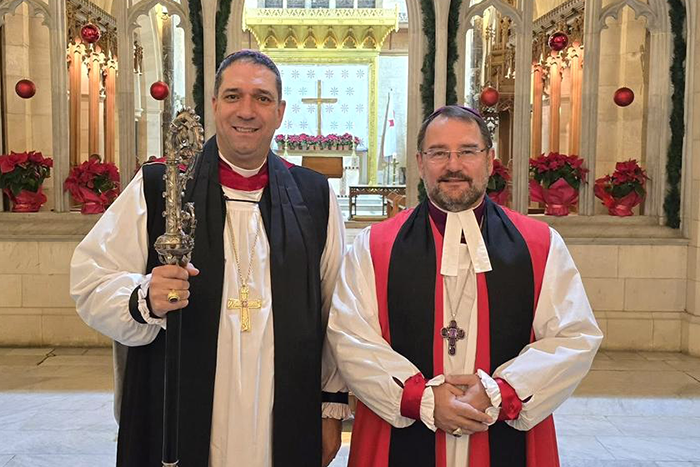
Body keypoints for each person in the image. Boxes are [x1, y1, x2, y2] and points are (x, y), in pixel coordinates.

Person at [70, 50, 349, 467]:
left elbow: (335, 311)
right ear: (214, 105)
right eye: (233, 96)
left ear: (280, 112)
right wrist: (144, 297)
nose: (247, 111)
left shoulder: (314, 197)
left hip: (282, 411)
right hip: (179, 411)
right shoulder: (160, 187)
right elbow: (89, 282)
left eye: (262, 98)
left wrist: (330, 408)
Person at [327, 105, 603, 467]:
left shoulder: (540, 244)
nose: (453, 165)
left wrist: (502, 394)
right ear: (420, 162)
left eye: (468, 151)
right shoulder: (374, 247)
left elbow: (574, 336)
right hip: (401, 437)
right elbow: (350, 336)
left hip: (504, 435)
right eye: (439, 153)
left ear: (489, 160)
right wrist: (420, 399)